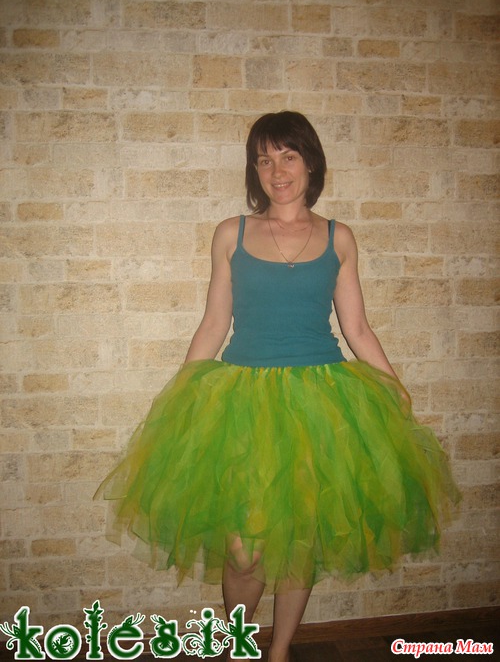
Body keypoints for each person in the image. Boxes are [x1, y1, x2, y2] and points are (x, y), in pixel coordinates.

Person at [96, 112, 460, 662]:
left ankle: (279, 650)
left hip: (322, 401)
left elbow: (357, 328)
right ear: (254, 169)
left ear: (311, 162)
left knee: (298, 540)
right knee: (244, 551)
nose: (277, 170)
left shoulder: (339, 237)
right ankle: (239, 645)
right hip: (244, 401)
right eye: (264, 159)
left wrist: (394, 389)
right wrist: (182, 393)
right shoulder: (231, 233)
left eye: (288, 156)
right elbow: (214, 323)